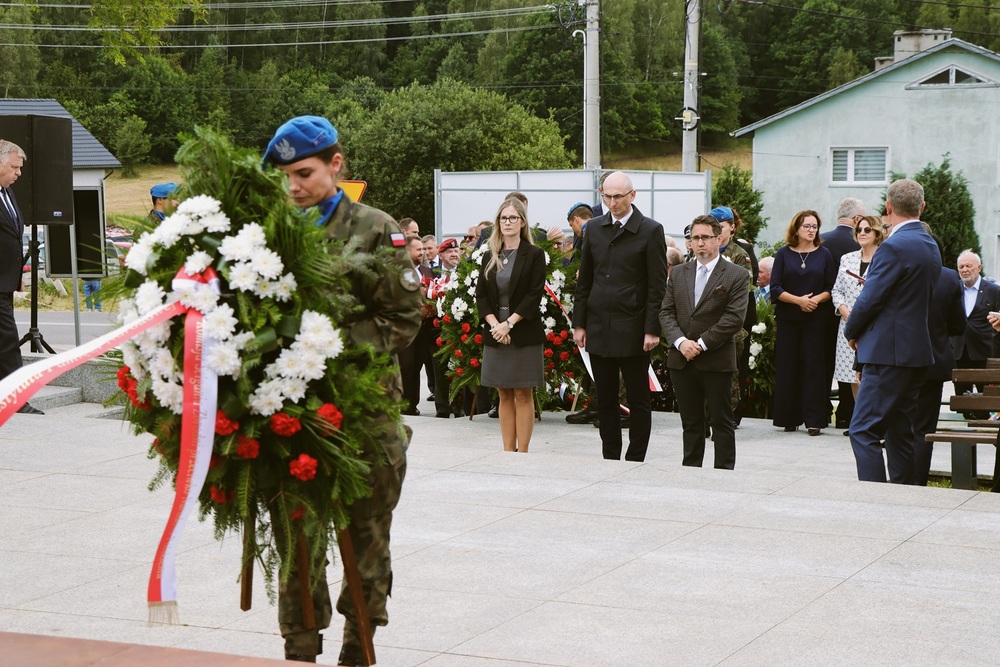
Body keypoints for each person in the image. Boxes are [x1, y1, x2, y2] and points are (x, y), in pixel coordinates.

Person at [262, 115, 423, 664]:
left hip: (363, 409)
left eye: (304, 173)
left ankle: (361, 644)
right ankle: (300, 647)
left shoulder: (375, 228)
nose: (293, 186)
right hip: (291, 411)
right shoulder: (270, 231)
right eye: (284, 176)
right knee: (296, 539)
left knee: (366, 534)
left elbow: (404, 317)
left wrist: (323, 343)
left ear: (336, 164)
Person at [845, 178, 941, 484]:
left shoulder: (893, 247)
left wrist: (852, 329)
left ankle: (876, 500)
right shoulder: (930, 245)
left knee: (863, 430)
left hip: (888, 353)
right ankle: (903, 497)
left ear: (888, 208)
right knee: (900, 431)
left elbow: (871, 298)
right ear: (922, 207)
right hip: (915, 353)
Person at [573, 171, 668, 462]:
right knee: (605, 397)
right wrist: (579, 323)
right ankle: (610, 455)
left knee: (638, 398)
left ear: (632, 196)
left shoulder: (651, 230)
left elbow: (657, 285)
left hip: (634, 326)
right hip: (599, 324)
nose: (612, 203)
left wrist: (652, 329)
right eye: (606, 196)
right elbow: (584, 279)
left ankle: (636, 455)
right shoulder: (595, 229)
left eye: (617, 197)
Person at [660, 215, 749, 469]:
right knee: (690, 423)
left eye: (705, 237)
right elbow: (666, 312)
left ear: (718, 239)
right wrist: (680, 342)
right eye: (694, 238)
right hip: (681, 359)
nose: (699, 243)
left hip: (716, 359)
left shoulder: (736, 274)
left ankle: (723, 474)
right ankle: (691, 472)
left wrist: (699, 344)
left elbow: (734, 318)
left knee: (721, 423)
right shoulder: (678, 273)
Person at [475, 198, 546, 452]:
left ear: (522, 222)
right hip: (495, 331)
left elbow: (534, 294)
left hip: (523, 330)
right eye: (503, 218)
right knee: (503, 393)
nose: (507, 222)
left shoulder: (535, 255)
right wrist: (496, 325)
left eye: (513, 218)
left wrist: (509, 325)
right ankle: (507, 451)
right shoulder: (489, 256)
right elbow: (481, 296)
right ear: (498, 223)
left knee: (523, 394)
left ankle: (523, 452)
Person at [769, 210, 836, 436]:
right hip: (789, 319)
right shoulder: (783, 253)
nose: (811, 230)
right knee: (788, 366)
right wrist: (798, 301)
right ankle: (788, 417)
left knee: (814, 367)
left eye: (814, 226)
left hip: (816, 319)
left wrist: (814, 300)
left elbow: (831, 288)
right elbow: (775, 288)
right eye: (807, 226)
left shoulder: (824, 254)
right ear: (796, 228)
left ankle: (814, 420)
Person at [912, 233, 966, 486]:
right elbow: (957, 325)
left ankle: (900, 479)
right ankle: (917, 480)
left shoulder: (898, 271)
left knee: (899, 424)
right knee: (924, 428)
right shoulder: (949, 277)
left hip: (898, 360)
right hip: (933, 360)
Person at [0, 140, 42, 415]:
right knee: (7, 340)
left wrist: (18, 275)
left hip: (6, 280)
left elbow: (12, 234)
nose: (18, 173)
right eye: (14, 167)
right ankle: (16, 399)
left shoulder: (8, 193)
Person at [831, 215, 886, 414]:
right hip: (849, 326)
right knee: (851, 375)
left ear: (877, 233)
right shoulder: (847, 258)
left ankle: (874, 422)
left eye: (867, 230)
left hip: (874, 326)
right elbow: (836, 291)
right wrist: (846, 312)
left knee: (872, 377)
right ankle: (860, 421)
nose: (862, 233)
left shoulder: (885, 258)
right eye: (859, 230)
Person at [822, 198, 866, 429]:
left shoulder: (821, 240)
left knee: (828, 367)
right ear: (857, 220)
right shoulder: (849, 252)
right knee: (849, 366)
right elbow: (837, 287)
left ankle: (834, 414)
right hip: (843, 317)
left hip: (823, 316)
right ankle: (847, 414)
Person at [950, 249, 1000, 403]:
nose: (964, 270)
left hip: (984, 352)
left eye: (969, 266)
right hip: (959, 352)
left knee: (987, 398)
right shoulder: (953, 289)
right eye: (961, 267)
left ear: (979, 267)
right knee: (962, 400)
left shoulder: (994, 291)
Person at [428, 237, 466, 419]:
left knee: (460, 366)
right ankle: (442, 407)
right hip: (437, 328)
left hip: (460, 328)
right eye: (450, 251)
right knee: (440, 367)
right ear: (441, 255)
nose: (454, 254)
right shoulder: (432, 274)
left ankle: (460, 407)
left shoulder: (466, 273)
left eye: (456, 251)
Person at [397, 235, 432, 415]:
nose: (422, 253)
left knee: (417, 364)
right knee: (406, 365)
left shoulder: (427, 271)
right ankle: (403, 404)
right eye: (418, 249)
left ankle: (412, 404)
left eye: (423, 249)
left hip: (424, 328)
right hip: (405, 328)